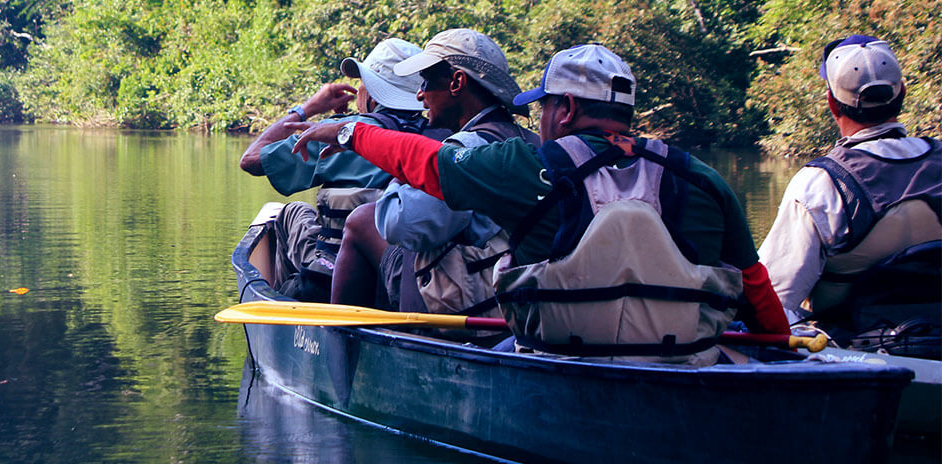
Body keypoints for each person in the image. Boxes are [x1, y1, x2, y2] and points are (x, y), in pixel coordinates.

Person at [289, 44, 790, 365]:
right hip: (680, 360)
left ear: (566, 109)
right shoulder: (702, 179)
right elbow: (755, 288)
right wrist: (780, 345)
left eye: (545, 104)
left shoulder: (526, 167)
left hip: (555, 354)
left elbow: (428, 163)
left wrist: (353, 130)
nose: (540, 116)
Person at [330, 29, 540, 332]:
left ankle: (339, 345)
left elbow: (400, 223)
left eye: (426, 82)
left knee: (362, 219)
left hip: (467, 305)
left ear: (456, 83)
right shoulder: (527, 141)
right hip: (514, 299)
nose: (419, 95)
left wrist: (407, 164)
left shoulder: (467, 147)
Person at [758, 36, 940, 346]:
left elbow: (772, 300)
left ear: (831, 102)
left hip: (856, 349)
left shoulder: (820, 182)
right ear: (903, 92)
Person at [239, 38, 445, 302]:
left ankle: (287, 300)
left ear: (371, 94)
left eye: (363, 84)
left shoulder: (340, 132)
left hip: (332, 272)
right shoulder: (441, 137)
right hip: (407, 276)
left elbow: (251, 159)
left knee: (289, 212)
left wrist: (307, 109)